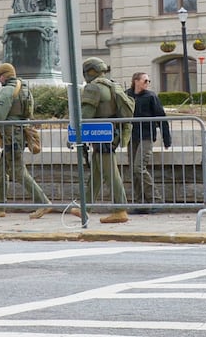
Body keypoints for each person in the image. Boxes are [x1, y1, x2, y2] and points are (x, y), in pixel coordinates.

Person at [70, 57, 129, 223]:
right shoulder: (112, 85)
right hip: (110, 134)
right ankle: (85, 207)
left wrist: (74, 135)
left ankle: (120, 209)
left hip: (102, 136)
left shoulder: (93, 87)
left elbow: (85, 116)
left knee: (111, 173)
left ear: (89, 71)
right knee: (96, 172)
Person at [0, 62, 51, 219]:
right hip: (19, 134)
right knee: (1, 169)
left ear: (4, 76)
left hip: (11, 136)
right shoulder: (24, 89)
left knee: (18, 172)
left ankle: (43, 202)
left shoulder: (7, 91)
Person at [126, 71, 171, 213]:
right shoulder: (127, 95)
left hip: (146, 136)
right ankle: (141, 203)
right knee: (134, 170)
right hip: (131, 136)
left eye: (148, 81)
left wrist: (166, 138)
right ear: (136, 81)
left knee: (139, 167)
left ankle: (156, 199)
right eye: (145, 80)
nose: (147, 83)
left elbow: (161, 118)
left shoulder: (151, 96)